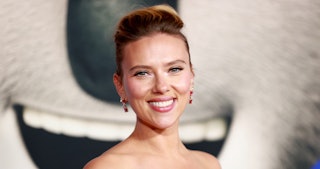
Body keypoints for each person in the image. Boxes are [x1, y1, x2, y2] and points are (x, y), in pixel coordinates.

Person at [84, 4, 221, 169]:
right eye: (142, 73)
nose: (161, 86)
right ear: (120, 85)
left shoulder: (208, 164)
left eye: (174, 69)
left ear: (191, 77)